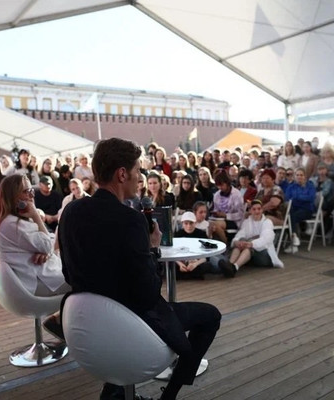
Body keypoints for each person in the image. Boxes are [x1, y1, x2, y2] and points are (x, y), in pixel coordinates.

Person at [59, 138, 221, 400]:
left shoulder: (70, 212)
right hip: (134, 325)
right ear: (122, 174)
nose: (140, 178)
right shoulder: (130, 220)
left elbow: (68, 274)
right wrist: (153, 248)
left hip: (84, 325)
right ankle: (169, 396)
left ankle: (114, 390)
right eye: (137, 171)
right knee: (211, 316)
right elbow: (147, 294)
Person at [0, 174, 71, 342]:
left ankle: (60, 320)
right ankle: (59, 321)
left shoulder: (10, 221)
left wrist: (46, 251)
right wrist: (35, 216)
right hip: (39, 282)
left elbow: (48, 243)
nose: (31, 195)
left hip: (37, 277)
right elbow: (48, 244)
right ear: (13, 196)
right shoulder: (13, 224)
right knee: (87, 281)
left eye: (32, 191)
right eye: (26, 191)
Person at [219, 199, 284, 277]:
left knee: (249, 247)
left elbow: (266, 239)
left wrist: (251, 244)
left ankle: (235, 267)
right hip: (252, 256)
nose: (257, 211)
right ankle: (230, 265)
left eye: (259, 209)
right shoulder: (247, 222)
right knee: (240, 241)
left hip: (265, 255)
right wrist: (236, 242)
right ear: (250, 211)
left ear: (262, 210)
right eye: (254, 209)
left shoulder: (267, 222)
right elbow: (240, 234)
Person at [284, 168, 316, 254]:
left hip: (306, 210)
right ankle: (294, 238)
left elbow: (310, 198)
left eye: (301, 175)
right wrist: (301, 197)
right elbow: (287, 198)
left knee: (290, 218)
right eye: (297, 175)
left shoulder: (310, 186)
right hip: (294, 209)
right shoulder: (291, 187)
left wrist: (296, 197)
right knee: (288, 216)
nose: (299, 177)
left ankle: (293, 242)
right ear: (294, 176)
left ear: (305, 176)